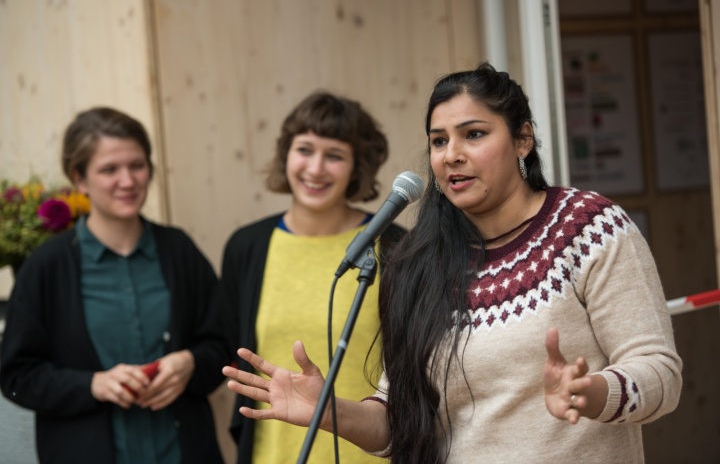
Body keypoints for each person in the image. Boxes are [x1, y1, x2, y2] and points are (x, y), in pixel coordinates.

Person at [221, 63, 683, 464]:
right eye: (438, 141)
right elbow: (398, 421)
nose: (451, 154)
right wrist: (329, 412)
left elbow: (659, 372)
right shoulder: (415, 260)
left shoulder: (587, 227)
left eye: (474, 134)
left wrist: (592, 392)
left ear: (523, 140)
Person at [0, 107, 227, 464]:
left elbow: (225, 344)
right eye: (109, 169)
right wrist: (91, 385)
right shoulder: (47, 266)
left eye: (137, 165)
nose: (128, 180)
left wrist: (191, 363)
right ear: (80, 178)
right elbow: (16, 376)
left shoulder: (179, 250)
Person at [216, 91, 405, 463]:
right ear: (286, 154)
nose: (315, 168)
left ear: (357, 167)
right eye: (304, 150)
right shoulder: (247, 247)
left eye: (334, 156)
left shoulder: (397, 247)